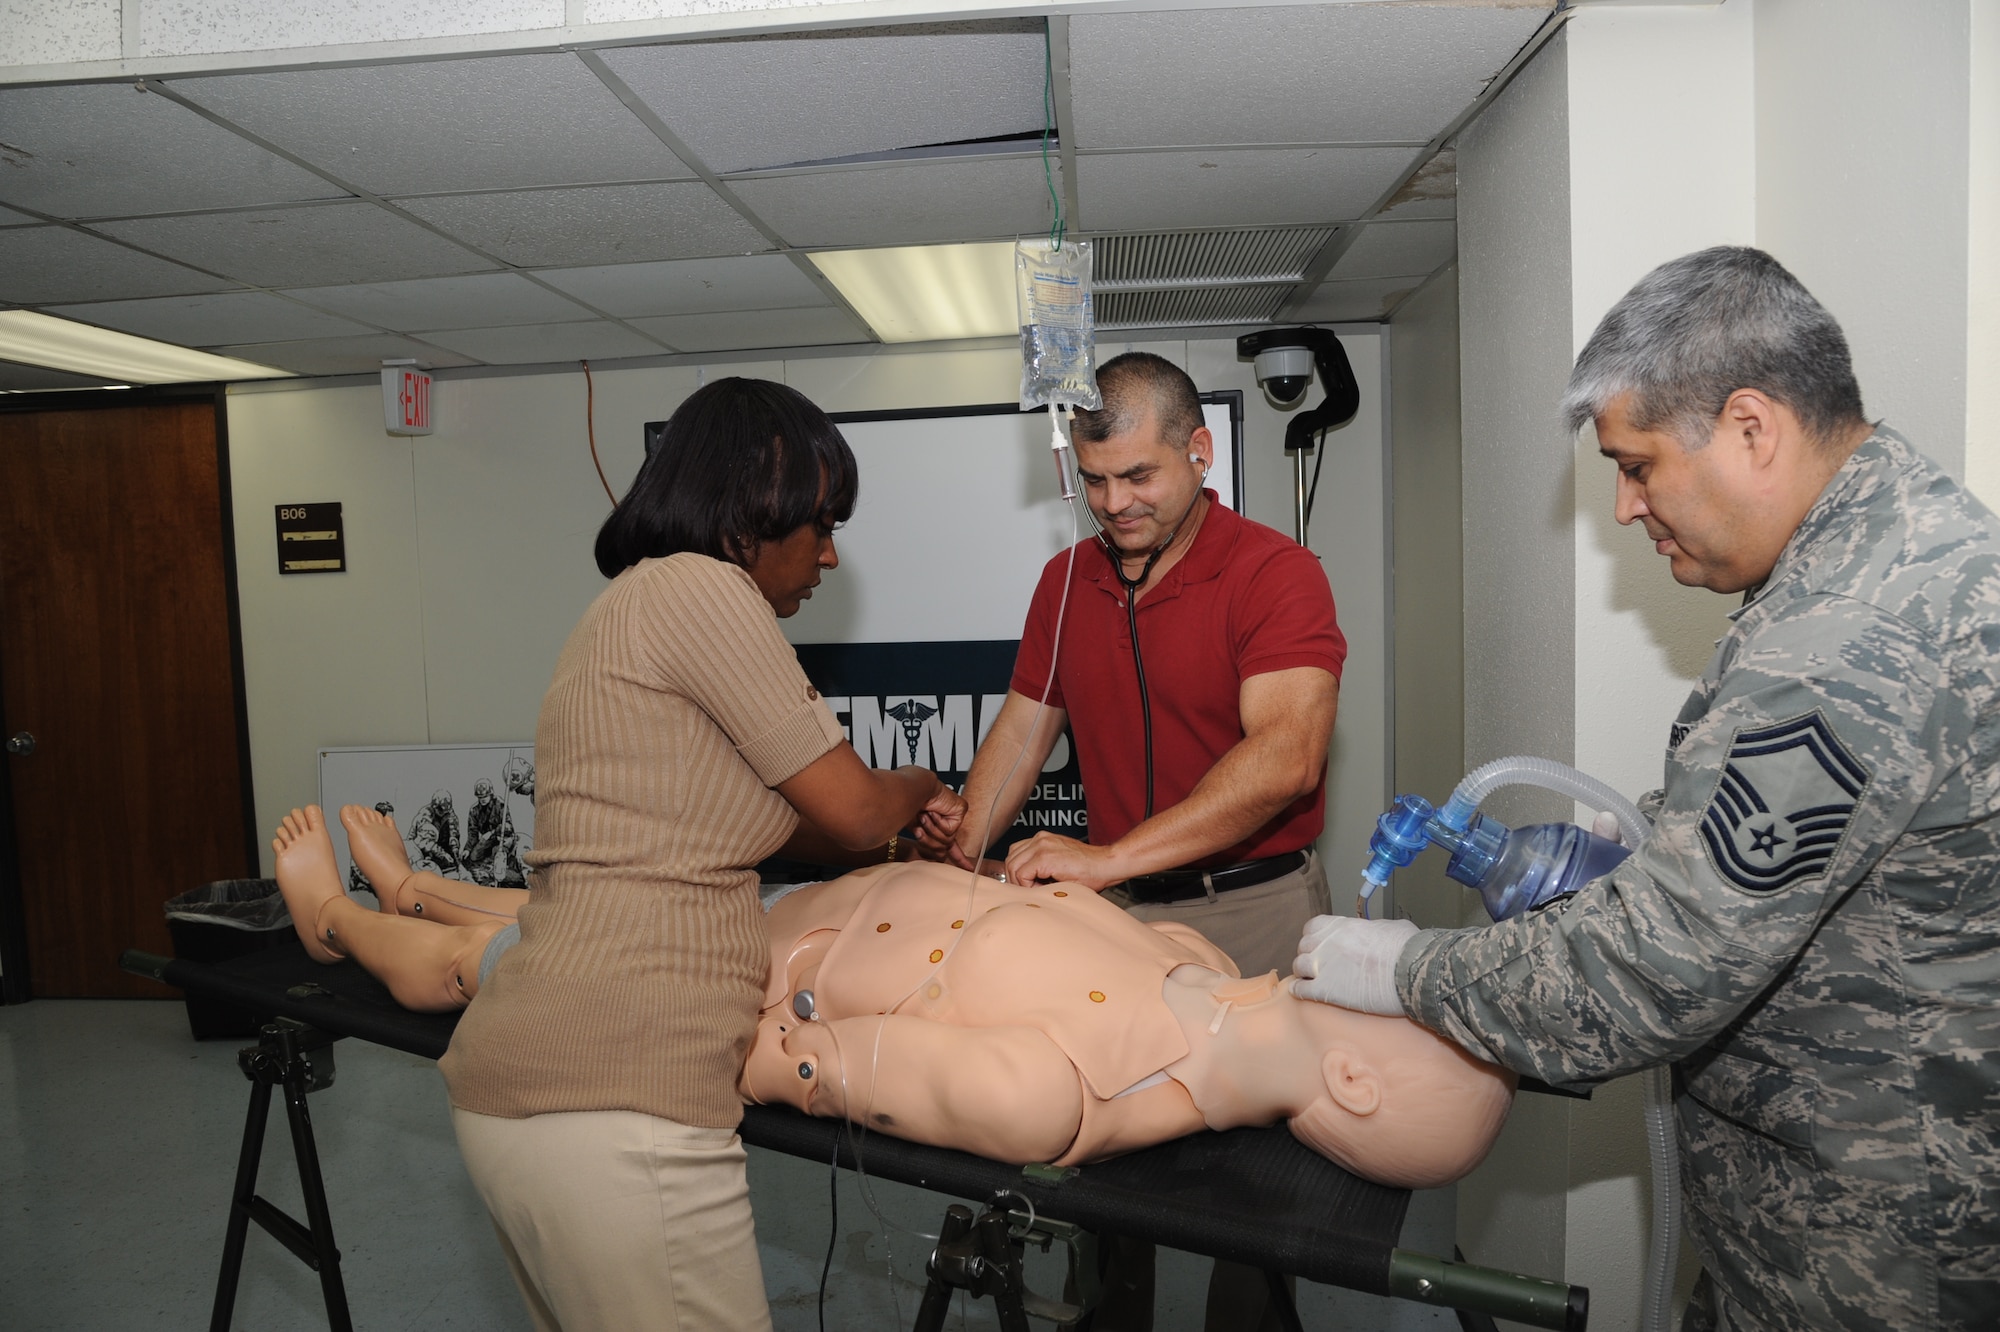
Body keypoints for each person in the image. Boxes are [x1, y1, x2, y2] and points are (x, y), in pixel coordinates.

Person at [1293, 247, 2000, 1331]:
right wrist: (1671, 837)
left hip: (1872, 1252)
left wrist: (1409, 969)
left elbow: (1645, 980)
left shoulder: (1845, 637)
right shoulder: (1899, 552)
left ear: (1750, 427)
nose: (1624, 508)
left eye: (1635, 464)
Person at [426, 378, 963, 1332]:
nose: (831, 554)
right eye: (820, 522)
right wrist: (920, 788)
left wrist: (885, 831)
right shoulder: (702, 590)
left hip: (541, 1095)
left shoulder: (634, 606)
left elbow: (755, 822)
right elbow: (845, 806)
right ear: (753, 506)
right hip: (617, 1103)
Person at [268, 812, 1515, 1191]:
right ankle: (428, 882)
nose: (1402, 954)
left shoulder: (1049, 1099)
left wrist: (611, 1014)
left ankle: (344, 924)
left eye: (1415, 992)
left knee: (514, 963)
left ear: (1351, 1079)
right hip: (770, 913)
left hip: (721, 982)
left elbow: (773, 1063)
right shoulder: (1199, 956)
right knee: (577, 904)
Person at [928, 350, 1347, 1332]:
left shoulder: (1274, 574)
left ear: (1198, 453)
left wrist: (1109, 856)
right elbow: (1022, 736)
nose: (1113, 502)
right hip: (1114, 924)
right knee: (1102, 1169)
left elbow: (1284, 757)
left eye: (1138, 476)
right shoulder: (1065, 581)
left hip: (1253, 909)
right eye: (1094, 480)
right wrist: (958, 857)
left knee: (1252, 1199)